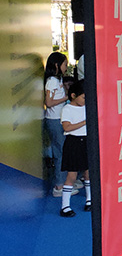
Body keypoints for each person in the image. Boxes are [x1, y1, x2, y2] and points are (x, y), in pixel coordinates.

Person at [58, 81, 90, 217]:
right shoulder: (67, 109)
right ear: (73, 95)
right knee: (72, 175)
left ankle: (89, 199)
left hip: (87, 141)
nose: (85, 100)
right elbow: (67, 127)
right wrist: (85, 121)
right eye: (83, 97)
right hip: (73, 143)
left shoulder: (87, 107)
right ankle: (65, 206)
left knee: (89, 172)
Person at [43, 52, 69, 195]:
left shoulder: (57, 80)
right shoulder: (52, 81)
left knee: (61, 152)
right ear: (57, 65)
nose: (66, 67)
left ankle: (64, 182)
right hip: (54, 120)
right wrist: (65, 98)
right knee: (60, 153)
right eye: (65, 64)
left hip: (58, 119)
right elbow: (49, 102)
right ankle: (59, 186)